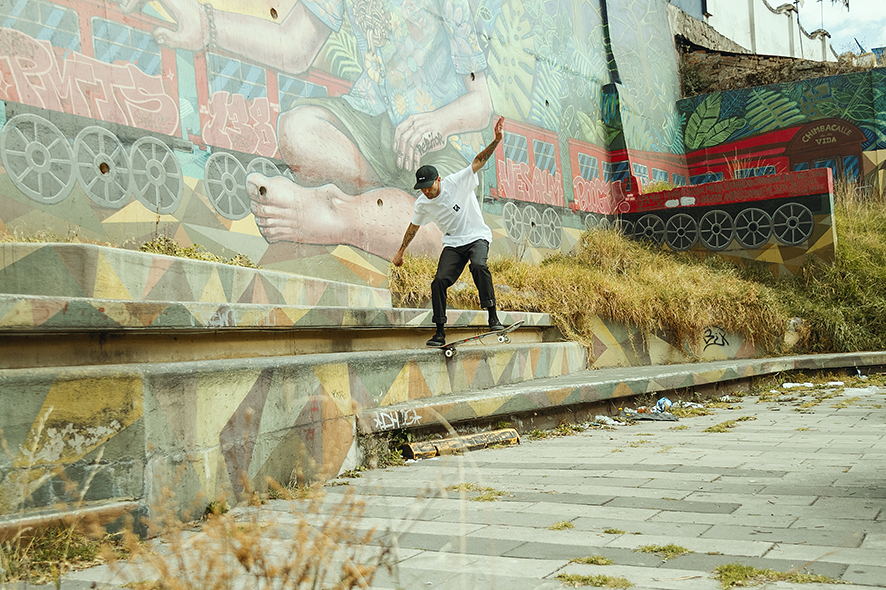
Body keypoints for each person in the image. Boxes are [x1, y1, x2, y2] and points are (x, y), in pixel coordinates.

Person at [392, 117, 505, 346]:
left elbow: (479, 160)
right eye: (422, 189)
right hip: (453, 243)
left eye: (429, 187)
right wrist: (401, 252)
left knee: (478, 266)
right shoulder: (422, 203)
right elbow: (413, 227)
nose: (426, 192)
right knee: (439, 282)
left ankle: (493, 317)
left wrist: (496, 140)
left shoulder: (457, 182)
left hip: (476, 237)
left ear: (439, 180)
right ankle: (439, 332)